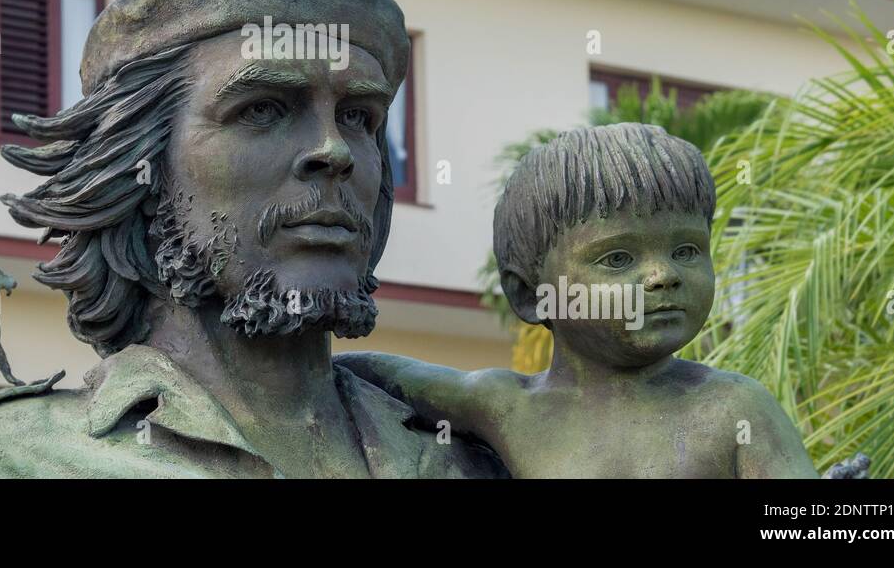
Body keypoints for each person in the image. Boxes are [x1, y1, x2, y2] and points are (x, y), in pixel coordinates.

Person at [0, 0, 505, 478]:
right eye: (261, 109)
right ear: (140, 166)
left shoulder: (472, 460)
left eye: (360, 117)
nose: (333, 150)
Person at [339, 124, 818, 478]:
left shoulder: (735, 408)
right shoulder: (504, 406)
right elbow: (365, 373)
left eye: (686, 251)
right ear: (531, 295)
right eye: (617, 258)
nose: (663, 276)